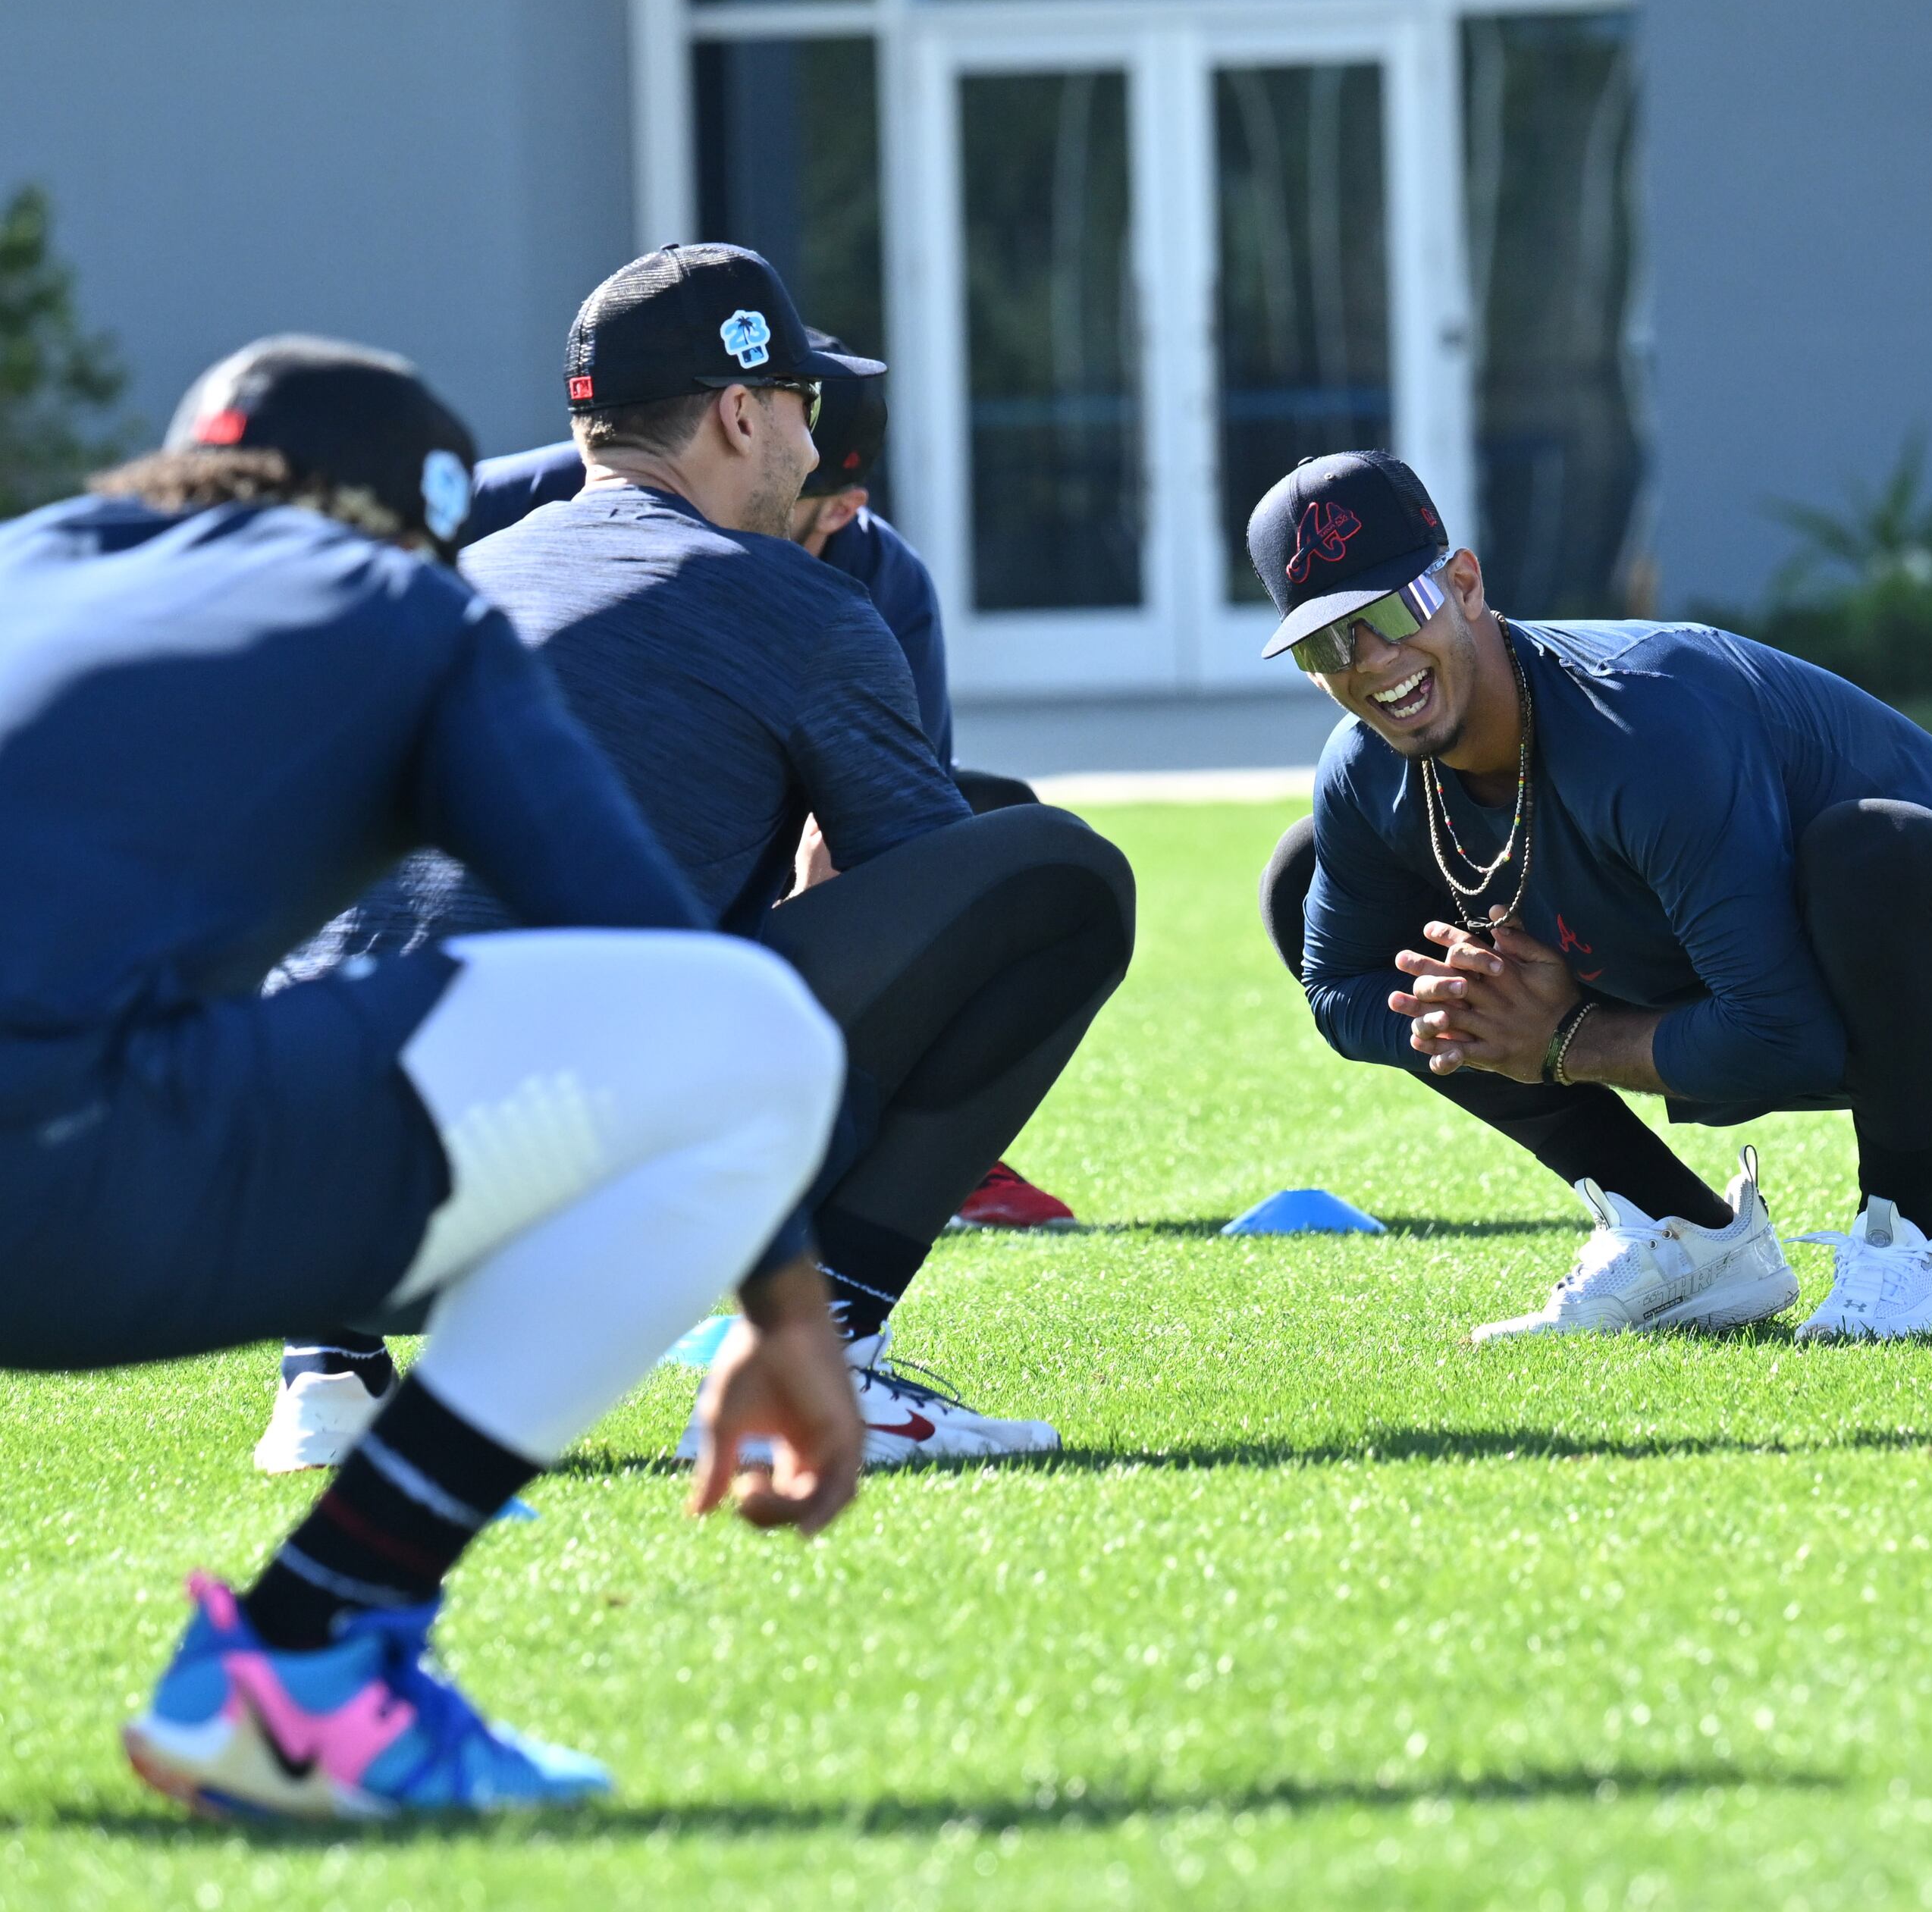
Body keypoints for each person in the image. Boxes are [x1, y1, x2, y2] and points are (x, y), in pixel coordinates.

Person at [2, 335, 865, 1817]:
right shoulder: (397, 595)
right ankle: (315, 1650)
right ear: (411, 519)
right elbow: (658, 955)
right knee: (753, 1029)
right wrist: (783, 1302)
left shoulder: (30, 555)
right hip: (70, 1175)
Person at [257, 246, 1134, 1475]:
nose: (806, 442)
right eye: (798, 405)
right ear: (738, 411)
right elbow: (946, 891)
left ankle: (328, 1373)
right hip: (519, 1197)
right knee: (1053, 873)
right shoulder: (799, 602)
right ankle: (815, 1356)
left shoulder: (436, 579)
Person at [1254, 451, 1932, 1341]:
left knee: (1870, 854)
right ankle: (1687, 1239)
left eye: (1392, 610)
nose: (1374, 662)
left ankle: (1907, 1241)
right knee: (1310, 878)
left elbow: (1786, 1038)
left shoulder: (1644, 720)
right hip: (1729, 971)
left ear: (1463, 584)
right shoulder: (1364, 770)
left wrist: (1561, 1041)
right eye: (1327, 642)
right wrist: (1484, 1015)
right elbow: (1337, 989)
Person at [412, 334, 1077, 1235]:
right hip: (524, 998)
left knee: (1000, 829)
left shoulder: (878, 586)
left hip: (377, 1102)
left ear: (842, 510)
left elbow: (905, 849)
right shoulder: (510, 512)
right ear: (731, 427)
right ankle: (828, 1301)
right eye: (786, 428)